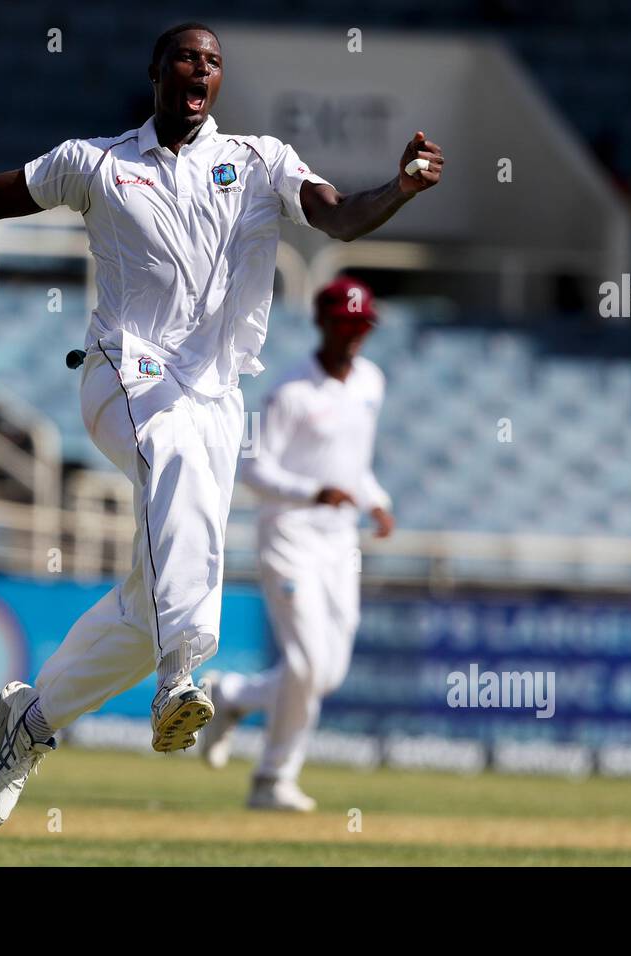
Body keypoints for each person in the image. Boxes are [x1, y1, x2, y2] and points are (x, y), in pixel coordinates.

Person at [0, 22, 442, 827]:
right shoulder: (95, 163)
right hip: (124, 373)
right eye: (187, 57)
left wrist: (398, 188)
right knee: (178, 469)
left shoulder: (261, 162)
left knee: (143, 605)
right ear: (158, 72)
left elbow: (338, 217)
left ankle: (30, 722)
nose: (202, 68)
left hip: (216, 398)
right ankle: (183, 681)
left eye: (214, 61)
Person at [199, 277, 393, 811]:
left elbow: (356, 464)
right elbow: (253, 469)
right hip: (289, 538)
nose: (354, 337)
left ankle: (232, 696)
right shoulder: (289, 391)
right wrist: (313, 493)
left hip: (340, 543)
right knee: (306, 664)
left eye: (362, 326)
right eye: (344, 325)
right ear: (323, 324)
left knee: (327, 672)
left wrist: (374, 499)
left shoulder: (371, 382)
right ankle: (271, 779)